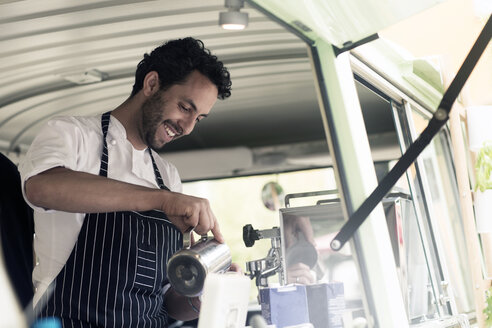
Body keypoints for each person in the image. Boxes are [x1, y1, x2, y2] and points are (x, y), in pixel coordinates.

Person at [19, 37, 232, 327]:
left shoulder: (167, 175)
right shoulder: (72, 135)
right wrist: (162, 199)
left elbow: (165, 298)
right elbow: (42, 188)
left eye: (199, 118)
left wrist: (201, 292)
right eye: (185, 107)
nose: (188, 127)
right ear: (152, 84)